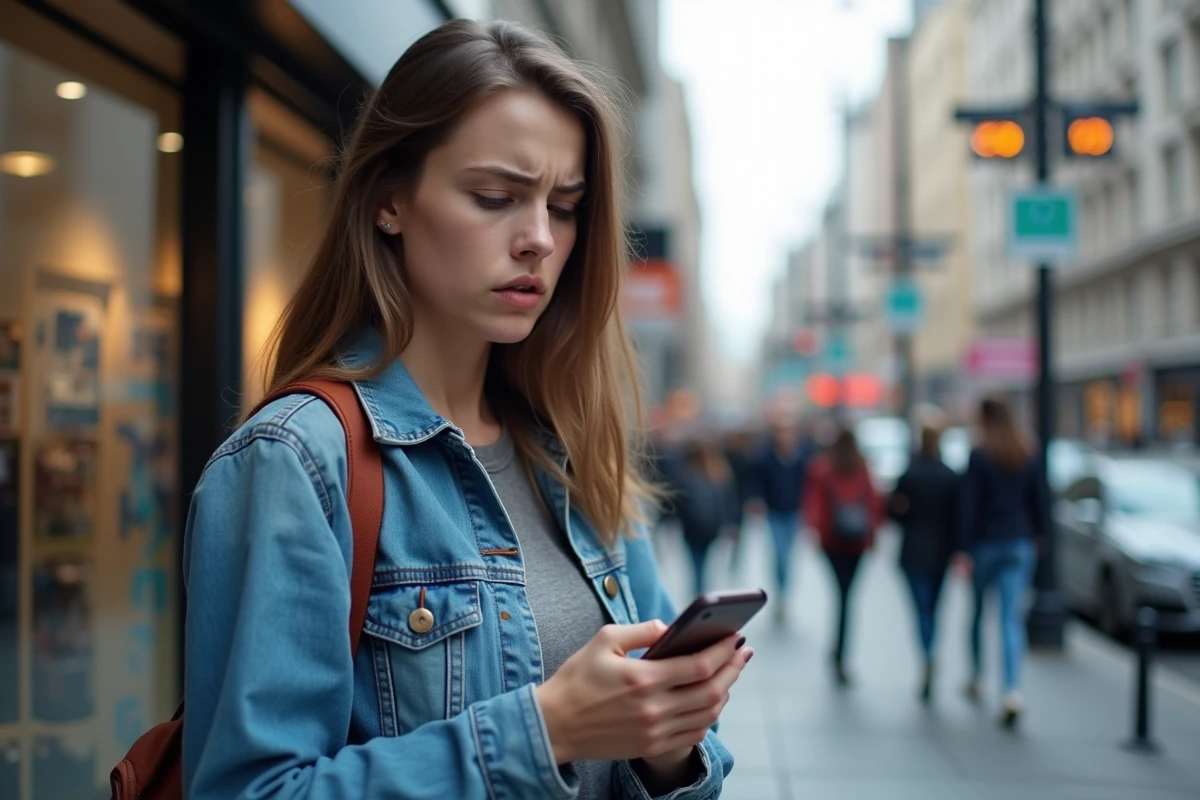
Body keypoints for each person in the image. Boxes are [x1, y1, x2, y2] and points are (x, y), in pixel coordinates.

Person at [181, 20, 752, 799]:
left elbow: (681, 768)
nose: (539, 240)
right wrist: (546, 732)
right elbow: (252, 789)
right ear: (389, 200)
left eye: (565, 205)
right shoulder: (298, 460)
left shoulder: (573, 445)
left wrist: (670, 744)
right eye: (496, 197)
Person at [956, 397, 1046, 728]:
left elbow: (969, 504)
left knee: (979, 614)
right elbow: (1039, 499)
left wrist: (962, 549)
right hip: (1019, 543)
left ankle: (977, 676)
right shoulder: (1027, 450)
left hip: (986, 545)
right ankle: (1012, 690)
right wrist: (1038, 537)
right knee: (1011, 619)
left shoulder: (980, 454)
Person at [888, 421, 959, 702]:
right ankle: (931, 651)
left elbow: (893, 512)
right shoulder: (950, 476)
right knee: (935, 607)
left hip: (914, 552)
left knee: (921, 610)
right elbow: (957, 518)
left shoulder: (909, 474)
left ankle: (927, 653)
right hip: (941, 553)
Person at [805, 428, 882, 687]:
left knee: (841, 596)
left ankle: (838, 652)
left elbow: (814, 504)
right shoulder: (862, 468)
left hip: (832, 542)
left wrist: (815, 532)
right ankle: (841, 653)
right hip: (857, 543)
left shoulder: (823, 468)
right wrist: (873, 537)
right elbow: (873, 503)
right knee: (847, 598)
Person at [754, 420, 813, 622]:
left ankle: (785, 593)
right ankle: (780, 592)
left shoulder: (802, 456)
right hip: (774, 513)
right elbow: (758, 482)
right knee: (779, 554)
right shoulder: (767, 457)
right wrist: (758, 501)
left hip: (795, 513)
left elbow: (808, 484)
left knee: (789, 555)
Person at [674, 439, 741, 596]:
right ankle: (701, 591)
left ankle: (699, 591)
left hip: (693, 530)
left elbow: (679, 505)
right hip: (710, 529)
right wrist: (731, 524)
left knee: (696, 564)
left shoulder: (686, 476)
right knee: (705, 563)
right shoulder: (720, 474)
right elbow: (727, 503)